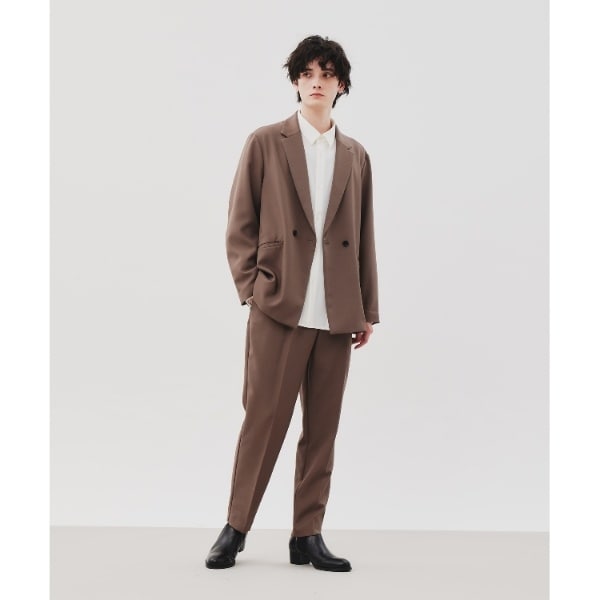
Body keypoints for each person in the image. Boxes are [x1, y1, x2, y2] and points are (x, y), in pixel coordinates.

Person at [205, 34, 380, 572]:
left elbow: (364, 236)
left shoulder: (355, 155)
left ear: (341, 85)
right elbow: (240, 224)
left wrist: (366, 309)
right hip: (280, 305)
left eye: (326, 74)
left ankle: (308, 534)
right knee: (263, 421)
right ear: (296, 82)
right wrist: (253, 290)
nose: (316, 82)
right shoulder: (266, 142)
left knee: (322, 430)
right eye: (307, 73)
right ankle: (235, 528)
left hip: (337, 311)